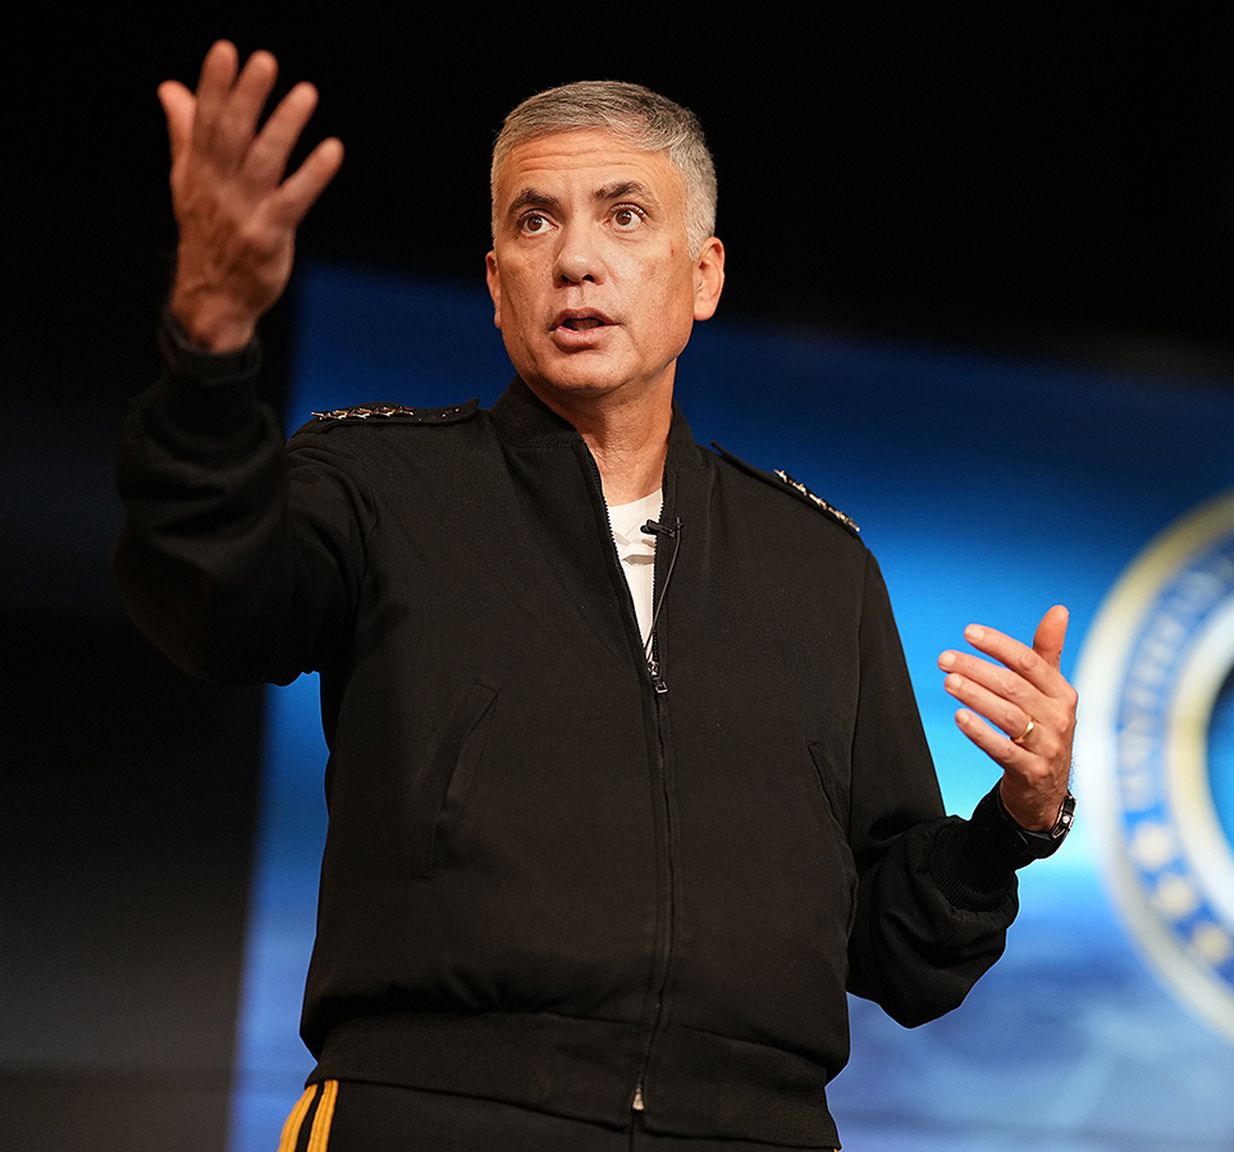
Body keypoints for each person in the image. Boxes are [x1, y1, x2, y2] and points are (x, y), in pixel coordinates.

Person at [117, 42, 1078, 1152]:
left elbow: (901, 955)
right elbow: (204, 597)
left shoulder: (818, 567)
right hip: (435, 1114)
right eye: (535, 221)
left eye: (624, 216)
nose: (575, 258)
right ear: (494, 283)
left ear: (705, 274)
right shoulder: (380, 487)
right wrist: (211, 340)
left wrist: (1018, 821)